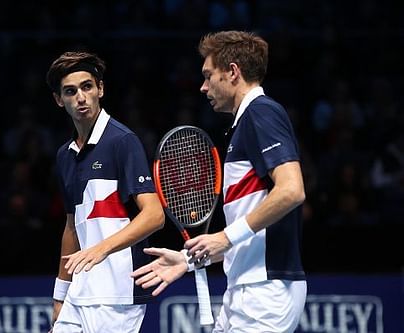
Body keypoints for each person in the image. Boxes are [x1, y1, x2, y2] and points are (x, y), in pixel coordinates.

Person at [132, 30, 307, 332]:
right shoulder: (246, 121)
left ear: (233, 72)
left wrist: (223, 237)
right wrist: (188, 260)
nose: (202, 87)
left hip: (264, 293)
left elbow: (292, 191)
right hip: (243, 287)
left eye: (208, 75)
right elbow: (251, 229)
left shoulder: (261, 112)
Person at [46, 51, 165, 333]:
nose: (81, 97)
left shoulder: (122, 142)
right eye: (70, 91)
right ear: (59, 100)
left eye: (87, 87)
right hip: (80, 291)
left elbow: (154, 215)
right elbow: (71, 228)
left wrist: (100, 249)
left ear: (101, 89)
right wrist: (60, 295)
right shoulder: (65, 155)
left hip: (117, 293)